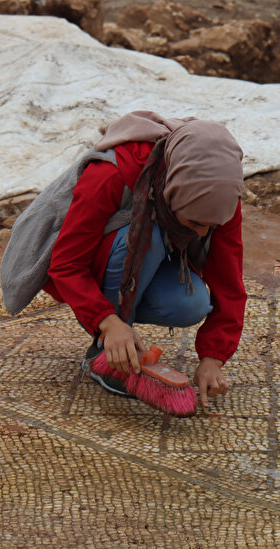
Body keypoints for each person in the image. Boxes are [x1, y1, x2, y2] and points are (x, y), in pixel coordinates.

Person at [42, 111, 246, 407]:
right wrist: (108, 322)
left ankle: (120, 333)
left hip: (146, 261)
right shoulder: (111, 174)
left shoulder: (220, 197)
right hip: (99, 260)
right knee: (145, 236)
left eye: (211, 226)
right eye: (194, 222)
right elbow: (65, 264)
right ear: (173, 191)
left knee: (193, 304)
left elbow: (229, 283)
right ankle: (106, 350)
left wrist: (213, 357)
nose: (202, 233)